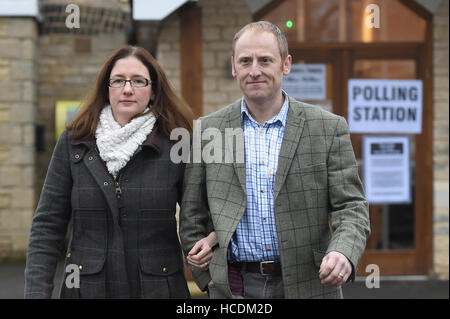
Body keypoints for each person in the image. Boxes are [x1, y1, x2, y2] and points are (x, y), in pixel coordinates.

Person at [179, 21, 370, 299]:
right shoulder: (209, 130)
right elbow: (191, 214)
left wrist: (343, 251)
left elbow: (351, 206)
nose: (254, 71)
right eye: (245, 61)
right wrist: (207, 280)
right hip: (233, 288)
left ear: (286, 64)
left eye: (265, 60)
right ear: (234, 67)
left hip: (310, 285)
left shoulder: (327, 128)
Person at [24, 45, 214, 299]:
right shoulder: (74, 142)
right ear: (106, 88)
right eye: (118, 81)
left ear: (154, 90)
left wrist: (210, 246)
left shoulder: (177, 145)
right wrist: (36, 293)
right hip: (85, 290)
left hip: (158, 290)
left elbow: (203, 215)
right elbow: (47, 226)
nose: (127, 89)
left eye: (138, 81)